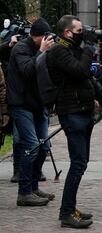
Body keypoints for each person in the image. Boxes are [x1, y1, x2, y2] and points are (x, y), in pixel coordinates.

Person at [47, 15, 95, 228]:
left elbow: (86, 76)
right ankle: (66, 213)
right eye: (79, 30)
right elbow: (80, 71)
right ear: (67, 32)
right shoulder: (58, 51)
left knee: (81, 163)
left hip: (83, 112)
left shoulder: (72, 49)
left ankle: (70, 207)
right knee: (77, 164)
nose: (82, 33)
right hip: (72, 113)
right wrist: (89, 47)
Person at [7, 17, 55, 207]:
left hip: (38, 105)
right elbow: (28, 71)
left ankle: (34, 187)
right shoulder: (20, 49)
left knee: (43, 147)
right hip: (21, 105)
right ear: (39, 37)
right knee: (32, 146)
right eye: (46, 37)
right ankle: (24, 192)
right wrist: (42, 52)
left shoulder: (41, 50)